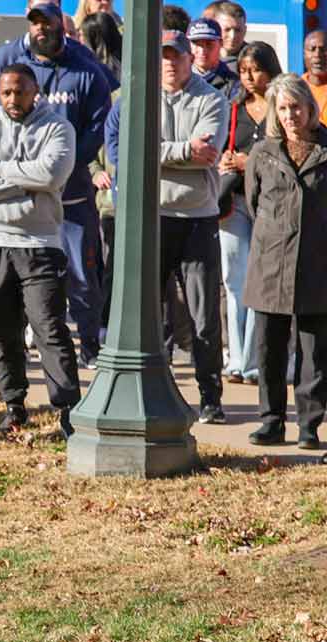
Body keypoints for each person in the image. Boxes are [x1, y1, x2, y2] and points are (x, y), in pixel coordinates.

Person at [0, 1, 117, 361]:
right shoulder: (6, 58)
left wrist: (61, 169)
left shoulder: (86, 68)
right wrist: (20, 172)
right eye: (34, 21)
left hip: (73, 196)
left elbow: (96, 129)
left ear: (60, 21)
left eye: (46, 21)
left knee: (81, 277)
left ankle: (90, 346)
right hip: (16, 200)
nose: (40, 29)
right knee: (12, 279)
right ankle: (9, 346)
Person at [107, 28, 226, 421]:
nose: (170, 63)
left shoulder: (212, 99)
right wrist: (181, 151)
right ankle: (162, 392)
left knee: (204, 316)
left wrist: (159, 153)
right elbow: (130, 152)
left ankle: (211, 397)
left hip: (197, 219)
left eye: (176, 55)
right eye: (163, 56)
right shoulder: (137, 100)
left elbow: (206, 155)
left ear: (190, 58)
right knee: (154, 316)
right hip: (152, 218)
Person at [0, 64, 79, 437]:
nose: (12, 99)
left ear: (35, 91)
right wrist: (21, 183)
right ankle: (13, 405)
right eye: (6, 92)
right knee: (1, 330)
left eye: (20, 92)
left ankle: (67, 409)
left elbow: (51, 175)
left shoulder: (58, 128)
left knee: (49, 328)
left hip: (39, 244)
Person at [243, 74, 327, 446]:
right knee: (269, 350)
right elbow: (253, 202)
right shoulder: (263, 152)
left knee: (314, 356)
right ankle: (272, 421)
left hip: (317, 264)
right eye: (283, 107)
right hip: (270, 264)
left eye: (297, 106)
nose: (291, 114)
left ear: (310, 108)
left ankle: (309, 427)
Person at [219, 41, 277, 384]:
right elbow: (218, 146)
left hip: (269, 203)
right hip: (235, 200)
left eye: (255, 69)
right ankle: (236, 360)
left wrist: (248, 160)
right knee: (233, 280)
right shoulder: (233, 108)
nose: (249, 77)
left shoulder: (281, 107)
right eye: (243, 71)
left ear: (270, 69)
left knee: (259, 279)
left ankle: (255, 360)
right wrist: (225, 161)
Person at [187, 17, 236, 96]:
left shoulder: (234, 84)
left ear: (221, 43)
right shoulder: (177, 77)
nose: (202, 51)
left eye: (209, 44)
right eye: (196, 44)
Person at [305, 29, 327, 120]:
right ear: (304, 54)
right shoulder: (296, 87)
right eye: (312, 49)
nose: (317, 54)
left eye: (323, 49)